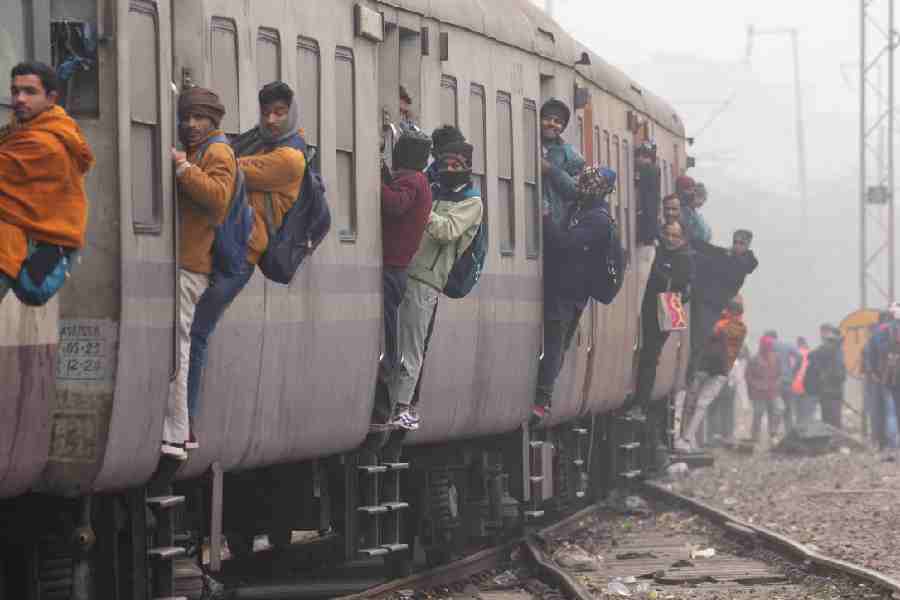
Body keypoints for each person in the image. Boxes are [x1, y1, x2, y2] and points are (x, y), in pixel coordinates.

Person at [182, 82, 307, 452]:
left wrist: (194, 161)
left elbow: (232, 168)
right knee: (191, 330)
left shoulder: (288, 159)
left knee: (198, 331)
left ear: (292, 113)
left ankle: (186, 419)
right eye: (266, 112)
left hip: (240, 258)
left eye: (279, 113)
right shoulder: (262, 143)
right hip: (223, 248)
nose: (271, 120)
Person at [386, 138, 483, 430]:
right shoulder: (432, 188)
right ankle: (389, 400)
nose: (450, 169)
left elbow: (447, 230)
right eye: (445, 164)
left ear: (467, 168)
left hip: (427, 278)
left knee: (412, 345)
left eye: (457, 165)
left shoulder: (472, 202)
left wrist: (421, 209)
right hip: (404, 266)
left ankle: (402, 405)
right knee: (394, 339)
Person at [163, 86, 236, 459]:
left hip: (193, 264)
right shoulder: (200, 149)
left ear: (214, 120)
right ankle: (176, 426)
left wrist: (182, 169)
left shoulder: (218, 151)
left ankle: (177, 431)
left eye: (199, 118)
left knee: (181, 344)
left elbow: (218, 198)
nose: (190, 124)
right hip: (186, 261)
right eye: (186, 117)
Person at [0, 61, 95, 304]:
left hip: (31, 243)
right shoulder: (21, 130)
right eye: (15, 91)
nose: (19, 98)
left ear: (51, 97)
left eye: (30, 92)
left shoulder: (45, 143)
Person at [532, 166, 617, 425]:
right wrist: (550, 170)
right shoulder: (583, 207)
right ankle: (544, 394)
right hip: (567, 287)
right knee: (558, 341)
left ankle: (543, 398)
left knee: (557, 341)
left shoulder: (598, 220)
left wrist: (545, 217)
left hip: (570, 289)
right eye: (584, 180)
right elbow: (566, 186)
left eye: (591, 183)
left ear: (603, 190)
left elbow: (564, 244)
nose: (584, 185)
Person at [371, 130, 433, 428]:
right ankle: (388, 403)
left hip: (393, 267)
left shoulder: (412, 180)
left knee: (390, 341)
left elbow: (395, 204)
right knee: (390, 337)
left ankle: (386, 404)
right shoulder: (418, 180)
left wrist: (373, 180)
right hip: (398, 267)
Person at [633, 221, 693, 413]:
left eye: (675, 235)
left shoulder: (686, 257)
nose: (670, 238)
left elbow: (684, 287)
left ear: (683, 238)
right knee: (648, 352)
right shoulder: (660, 250)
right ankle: (640, 400)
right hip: (660, 302)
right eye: (668, 234)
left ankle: (641, 402)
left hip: (671, 304)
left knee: (651, 353)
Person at [675, 296, 748, 451]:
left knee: (691, 402)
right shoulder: (741, 328)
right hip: (721, 372)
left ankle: (685, 438)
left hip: (705, 368)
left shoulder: (726, 326)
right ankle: (689, 439)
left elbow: (711, 331)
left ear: (729, 311)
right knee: (701, 405)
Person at [688, 229, 758, 381]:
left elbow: (723, 264)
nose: (737, 246)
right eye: (735, 242)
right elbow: (711, 250)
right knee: (694, 340)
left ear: (747, 245)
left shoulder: (742, 263)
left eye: (741, 243)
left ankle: (689, 377)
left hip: (713, 304)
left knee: (697, 342)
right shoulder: (728, 256)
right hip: (704, 300)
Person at [540, 98, 585, 227]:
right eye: (547, 119)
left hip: (557, 225)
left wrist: (551, 170)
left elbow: (576, 191)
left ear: (563, 127)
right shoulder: (527, 143)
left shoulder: (572, 157)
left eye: (558, 122)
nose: (551, 124)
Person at [805, 325, 846, 429]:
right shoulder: (837, 351)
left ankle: (834, 441)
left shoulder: (829, 350)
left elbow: (811, 355)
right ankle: (834, 440)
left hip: (829, 389)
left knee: (830, 419)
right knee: (833, 418)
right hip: (832, 389)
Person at [763, 330, 803, 431]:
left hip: (772, 382)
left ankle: (773, 433)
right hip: (787, 380)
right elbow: (800, 356)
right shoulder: (786, 345)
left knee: (772, 409)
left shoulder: (766, 347)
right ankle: (788, 434)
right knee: (788, 409)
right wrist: (793, 371)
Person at [747, 335, 783, 442]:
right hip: (759, 393)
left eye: (769, 346)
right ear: (762, 346)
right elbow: (748, 376)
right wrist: (756, 385)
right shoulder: (754, 359)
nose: (768, 349)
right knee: (758, 413)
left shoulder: (776, 358)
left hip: (773, 391)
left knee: (778, 410)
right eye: (766, 346)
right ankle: (754, 437)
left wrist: (777, 383)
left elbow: (780, 374)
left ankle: (773, 433)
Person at [635, 140, 661, 246]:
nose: (637, 159)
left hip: (647, 214)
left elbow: (644, 192)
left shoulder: (647, 169)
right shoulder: (655, 168)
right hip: (651, 214)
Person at [675, 176, 711, 244]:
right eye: (689, 190)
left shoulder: (692, 212)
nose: (692, 193)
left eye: (693, 190)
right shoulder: (682, 211)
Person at [791, 336, 816, 425]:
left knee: (798, 412)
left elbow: (792, 369)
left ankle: (799, 430)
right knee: (809, 412)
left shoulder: (795, 353)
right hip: (809, 385)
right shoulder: (812, 353)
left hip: (796, 385)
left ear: (798, 344)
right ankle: (808, 430)